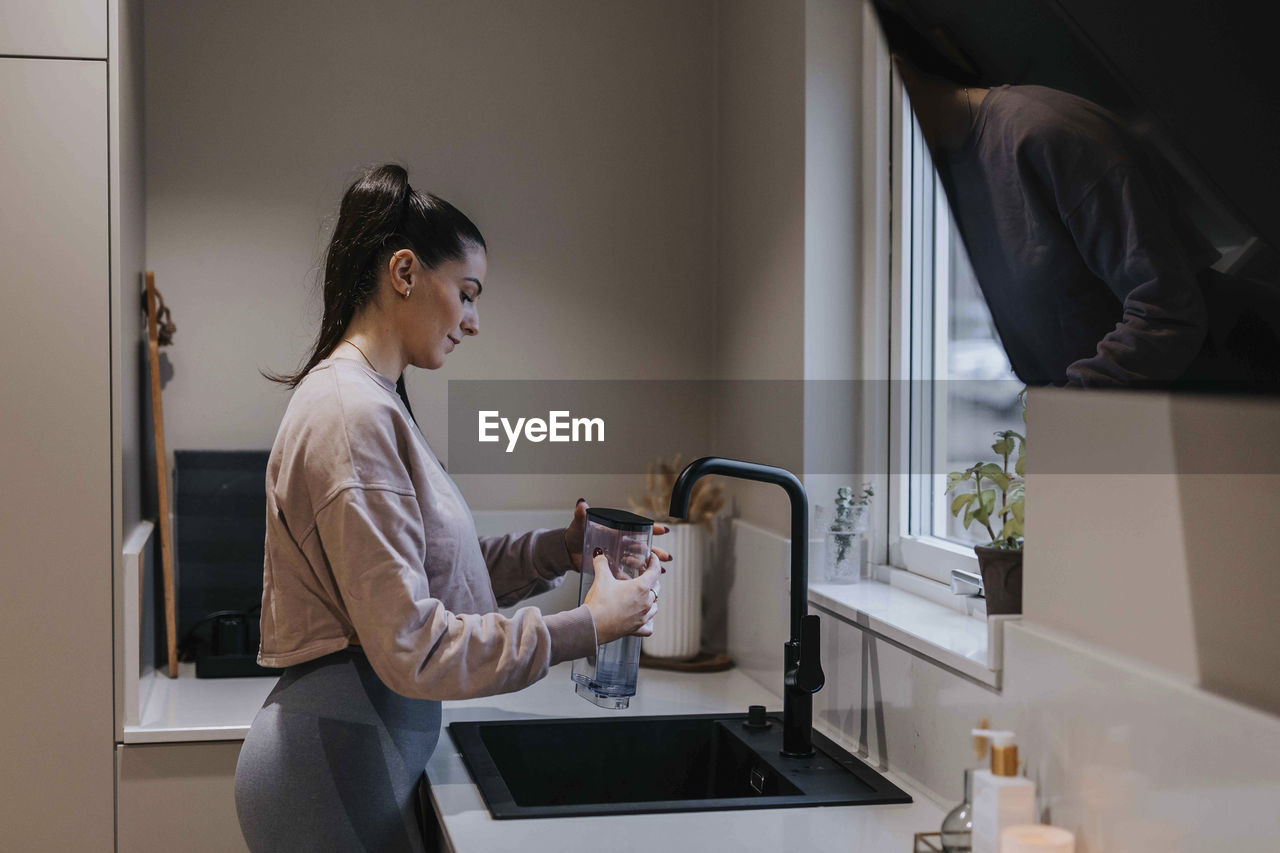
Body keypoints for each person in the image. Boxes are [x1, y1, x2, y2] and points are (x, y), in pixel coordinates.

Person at [234, 164, 668, 852]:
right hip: (332, 770)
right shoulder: (354, 414)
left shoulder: (372, 402)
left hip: (354, 753)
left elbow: (428, 575)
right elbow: (414, 642)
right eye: (466, 294)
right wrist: (587, 625)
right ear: (404, 272)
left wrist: (563, 548)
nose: (473, 320)